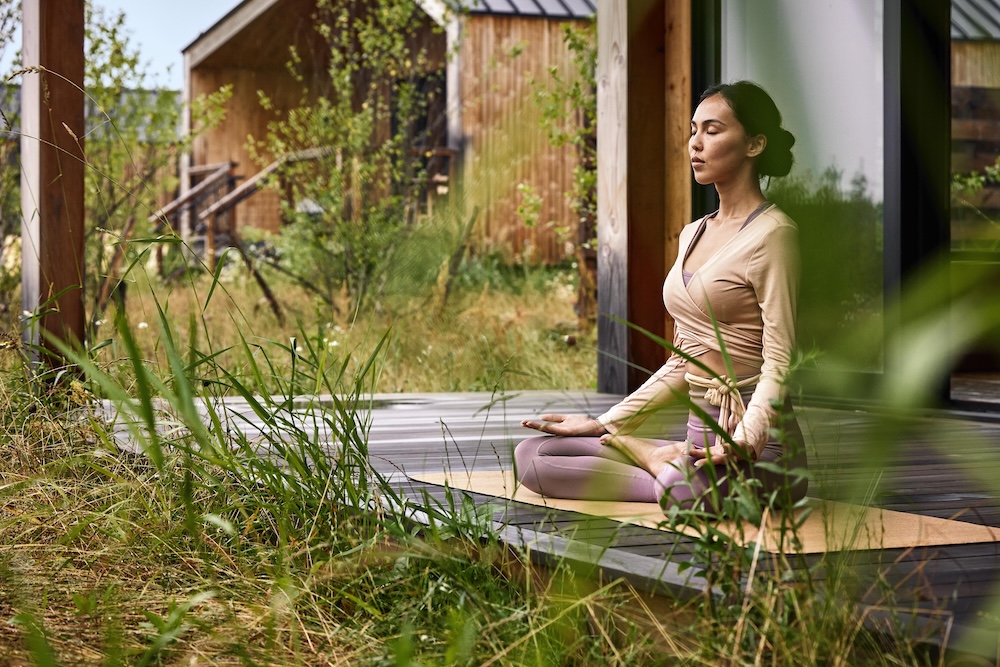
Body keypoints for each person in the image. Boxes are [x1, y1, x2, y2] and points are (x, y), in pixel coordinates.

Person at [514, 81, 808, 514]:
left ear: (754, 144)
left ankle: (657, 464)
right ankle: (658, 461)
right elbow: (682, 363)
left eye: (712, 130)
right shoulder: (693, 233)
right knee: (534, 454)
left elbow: (780, 361)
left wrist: (747, 438)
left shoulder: (774, 235)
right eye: (693, 130)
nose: (696, 143)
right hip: (696, 445)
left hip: (759, 450)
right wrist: (604, 423)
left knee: (684, 488)